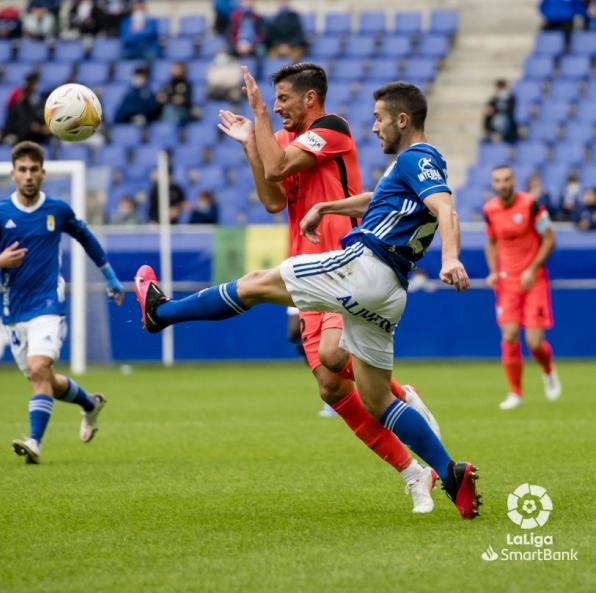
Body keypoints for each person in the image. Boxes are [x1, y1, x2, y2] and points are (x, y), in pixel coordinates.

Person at [134, 71, 481, 520]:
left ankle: (162, 312)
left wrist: (451, 257)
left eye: (378, 119)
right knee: (370, 396)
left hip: (358, 265)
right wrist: (327, 204)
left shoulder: (399, 151)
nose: (372, 127)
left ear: (401, 119)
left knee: (258, 284)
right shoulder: (409, 164)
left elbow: (445, 205)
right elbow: (367, 198)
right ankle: (450, 473)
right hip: (390, 290)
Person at [217, 62, 443, 514]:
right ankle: (413, 472)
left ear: (310, 99)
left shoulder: (332, 128)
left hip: (347, 262)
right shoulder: (282, 140)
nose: (278, 107)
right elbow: (272, 198)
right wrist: (249, 145)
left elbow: (278, 165)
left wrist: (258, 115)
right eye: (274, 99)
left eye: (284, 98)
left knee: (335, 357)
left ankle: (399, 398)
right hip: (304, 267)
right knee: (329, 386)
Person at [0, 141, 124, 464]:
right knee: (44, 380)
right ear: (12, 173)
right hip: (15, 311)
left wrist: (110, 277)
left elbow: (85, 237)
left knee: (39, 367)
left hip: (48, 304)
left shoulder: (57, 209)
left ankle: (34, 442)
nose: (28, 176)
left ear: (43, 173)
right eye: (22, 170)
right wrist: (0, 261)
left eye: (34, 170)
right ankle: (90, 404)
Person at [483, 165, 561, 410]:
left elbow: (550, 239)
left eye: (506, 179)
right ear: (493, 184)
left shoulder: (532, 205)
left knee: (535, 342)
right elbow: (491, 243)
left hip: (534, 279)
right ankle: (515, 392)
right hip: (507, 282)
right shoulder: (490, 210)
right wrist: (494, 272)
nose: (503, 184)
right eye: (497, 180)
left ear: (514, 180)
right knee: (509, 335)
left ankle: (548, 370)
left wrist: (532, 268)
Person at [156, 62, 194, 127]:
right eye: (173, 69)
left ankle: (171, 130)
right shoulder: (166, 84)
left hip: (182, 111)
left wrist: (168, 98)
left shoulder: (187, 85)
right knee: (168, 109)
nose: (174, 70)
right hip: (166, 110)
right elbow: (160, 99)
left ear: (183, 70)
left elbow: (183, 100)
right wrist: (172, 98)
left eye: (177, 69)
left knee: (171, 110)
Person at [483, 79, 518, 144]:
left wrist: (496, 111)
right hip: (495, 127)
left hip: (509, 126)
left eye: (502, 88)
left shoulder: (512, 99)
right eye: (499, 88)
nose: (501, 90)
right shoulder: (493, 100)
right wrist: (486, 128)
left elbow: (511, 112)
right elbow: (487, 114)